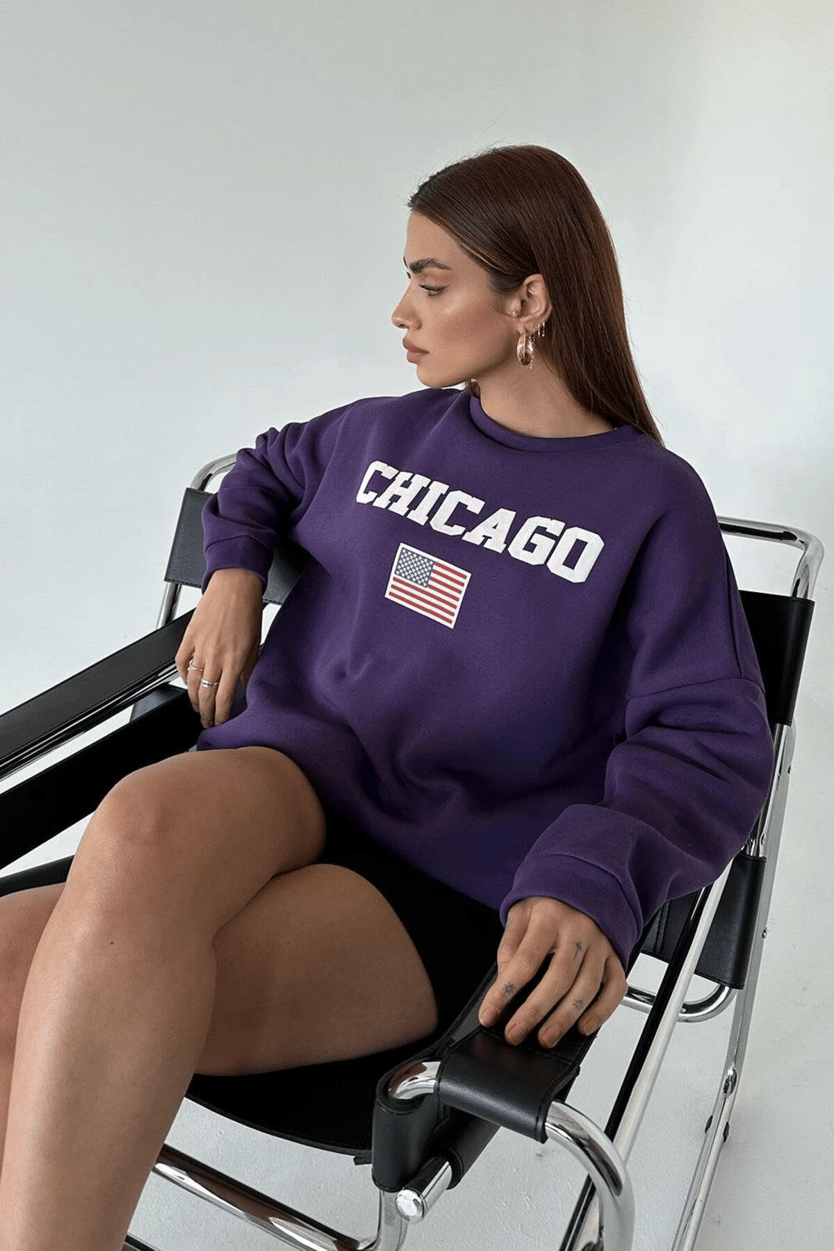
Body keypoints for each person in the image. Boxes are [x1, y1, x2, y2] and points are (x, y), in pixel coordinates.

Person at [0, 145, 773, 1251]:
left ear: (530, 302)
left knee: (36, 989)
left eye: (431, 282)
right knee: (140, 812)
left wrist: (596, 871)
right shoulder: (381, 433)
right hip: (287, 779)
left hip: (439, 876)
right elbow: (263, 469)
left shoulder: (649, 502)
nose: (401, 312)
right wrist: (232, 578)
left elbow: (706, 736)